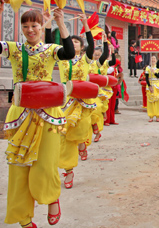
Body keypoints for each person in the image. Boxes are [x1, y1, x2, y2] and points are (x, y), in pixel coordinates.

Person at [0, 4, 75, 227]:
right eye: (25, 26)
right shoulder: (13, 49)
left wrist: (61, 24)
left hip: (48, 113)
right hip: (20, 112)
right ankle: (23, 217)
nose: (30, 30)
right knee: (18, 166)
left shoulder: (51, 50)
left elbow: (69, 53)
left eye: (34, 25)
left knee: (45, 161)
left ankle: (51, 197)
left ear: (42, 25)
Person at [56, 13, 94, 189]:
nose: (74, 44)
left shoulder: (86, 59)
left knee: (81, 129)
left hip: (83, 101)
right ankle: (69, 170)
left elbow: (92, 45)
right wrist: (56, 22)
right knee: (65, 135)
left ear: (81, 46)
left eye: (77, 42)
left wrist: (85, 24)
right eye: (71, 42)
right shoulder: (62, 59)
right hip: (66, 101)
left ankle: (82, 142)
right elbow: (51, 42)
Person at [145, 55, 159, 122]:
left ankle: (158, 115)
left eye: (154, 59)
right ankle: (151, 116)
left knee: (158, 101)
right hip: (151, 84)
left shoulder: (158, 68)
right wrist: (149, 86)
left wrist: (154, 72)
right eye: (152, 59)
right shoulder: (148, 68)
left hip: (157, 85)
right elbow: (146, 78)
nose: (153, 60)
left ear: (156, 60)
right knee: (150, 101)